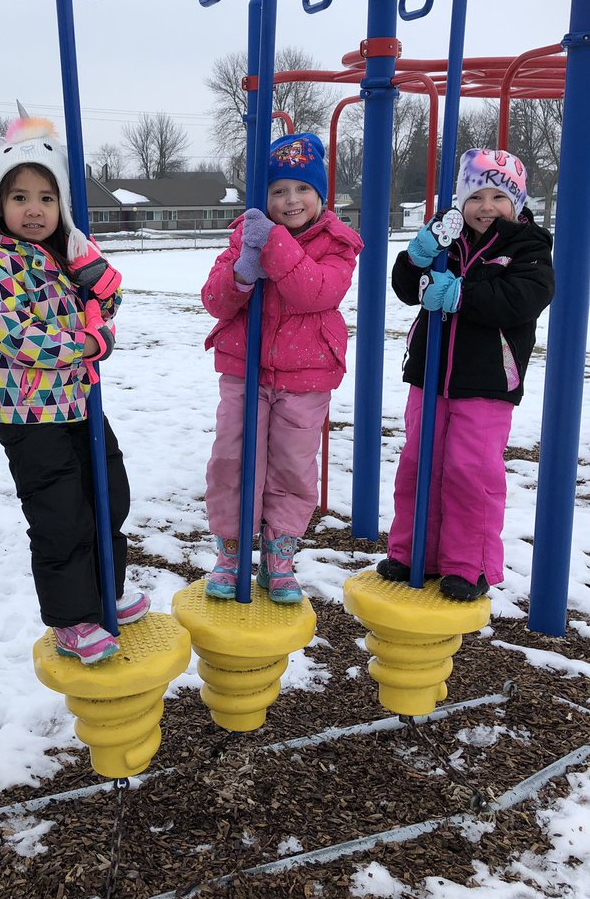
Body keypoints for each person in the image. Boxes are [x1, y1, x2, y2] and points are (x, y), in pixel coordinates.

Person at [0, 116, 149, 665]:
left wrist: (96, 275)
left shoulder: (69, 248)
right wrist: (86, 344)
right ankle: (71, 618)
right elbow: (16, 337)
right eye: (20, 197)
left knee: (108, 495)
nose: (34, 209)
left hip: (80, 401)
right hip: (29, 413)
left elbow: (107, 304)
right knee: (61, 517)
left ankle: (106, 589)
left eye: (46, 197)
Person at [377, 148, 555, 600]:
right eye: (475, 196)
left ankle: (467, 564)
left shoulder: (529, 246)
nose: (486, 207)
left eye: (499, 197)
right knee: (418, 464)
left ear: (517, 202)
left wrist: (462, 295)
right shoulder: (446, 235)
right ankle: (413, 551)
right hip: (429, 374)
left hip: (487, 381)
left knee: (469, 472)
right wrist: (418, 254)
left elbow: (523, 298)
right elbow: (406, 289)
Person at [201, 133, 363, 602]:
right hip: (245, 370)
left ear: (320, 195)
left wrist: (273, 244)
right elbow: (214, 301)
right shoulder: (244, 236)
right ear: (263, 197)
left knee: (293, 465)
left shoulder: (337, 243)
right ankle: (231, 552)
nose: (291, 200)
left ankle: (280, 556)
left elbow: (316, 293)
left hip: (306, 376)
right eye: (278, 190)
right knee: (232, 459)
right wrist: (242, 271)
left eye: (302, 189)